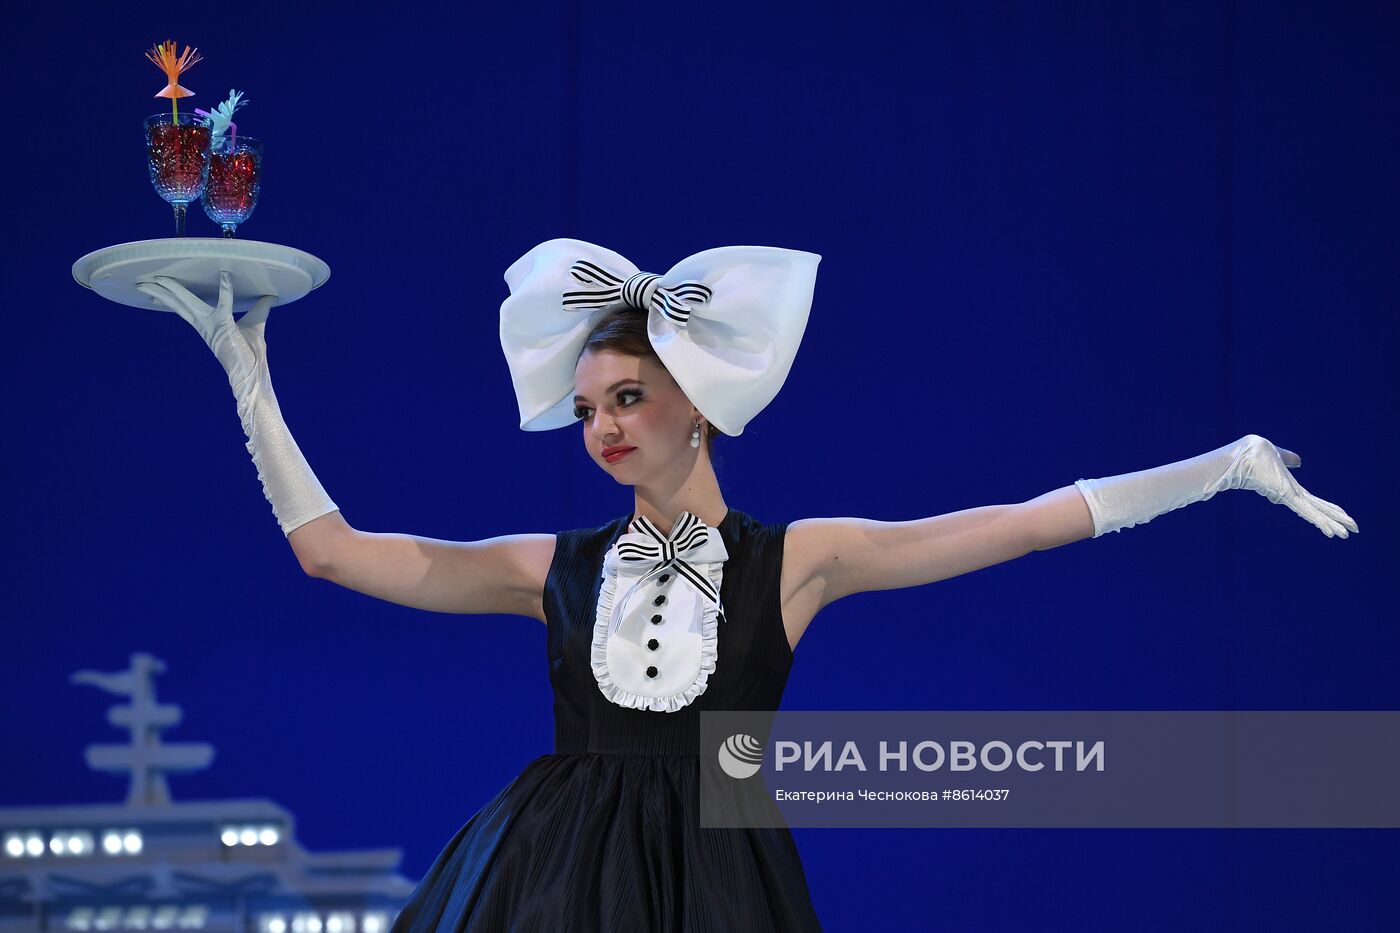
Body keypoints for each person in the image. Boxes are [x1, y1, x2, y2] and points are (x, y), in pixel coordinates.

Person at [135, 239, 1356, 932]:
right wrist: (250, 381)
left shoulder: (798, 559)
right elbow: (330, 551)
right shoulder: (550, 569)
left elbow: (1023, 526)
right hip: (553, 875)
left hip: (720, 875)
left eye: (627, 400)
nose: (604, 428)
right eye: (587, 410)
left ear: (697, 412)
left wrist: (1221, 470)